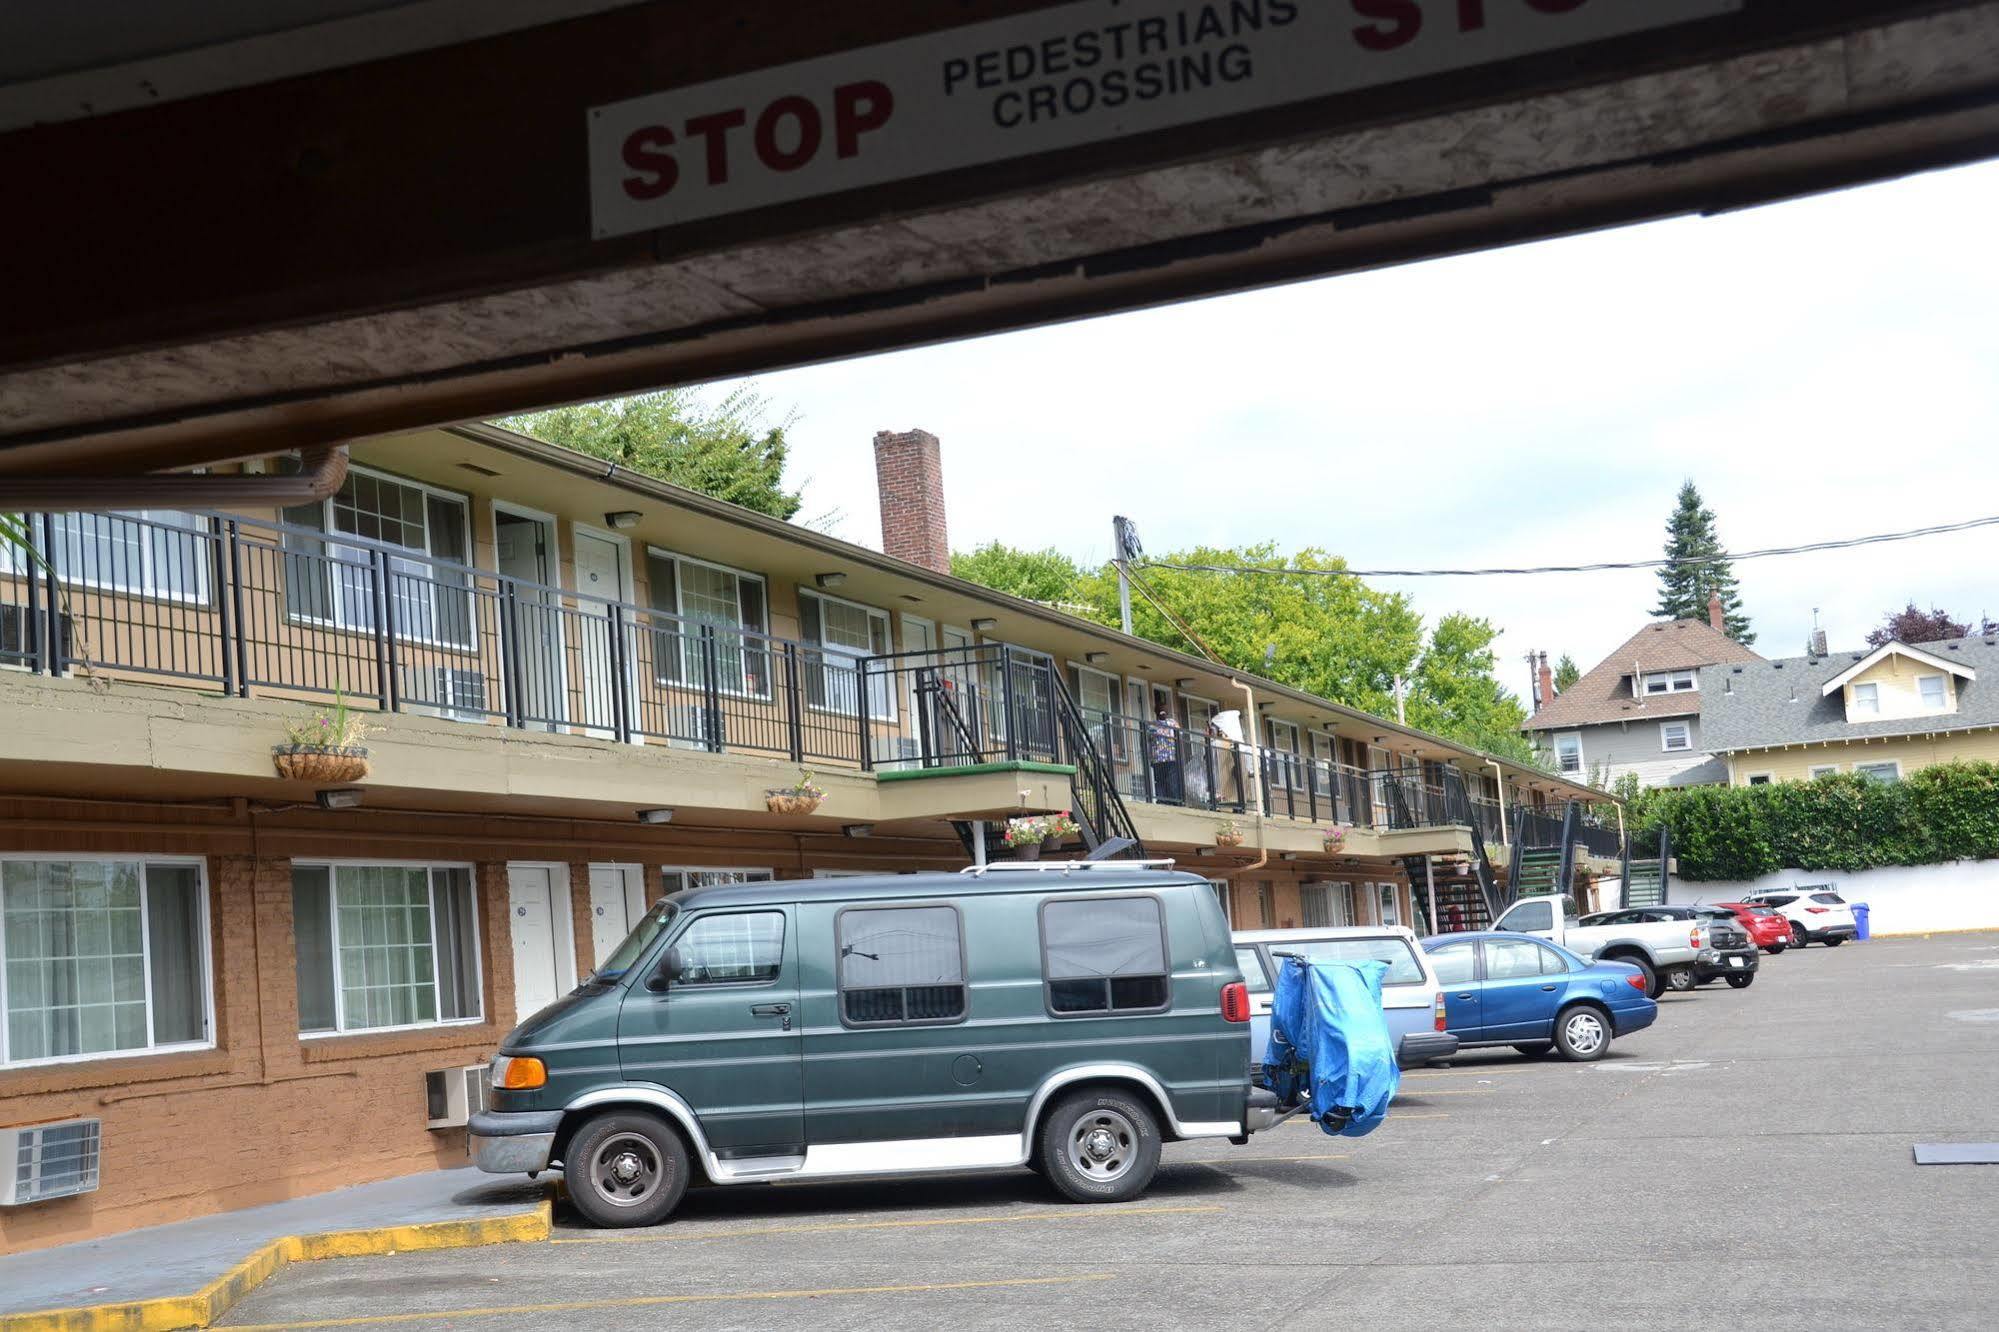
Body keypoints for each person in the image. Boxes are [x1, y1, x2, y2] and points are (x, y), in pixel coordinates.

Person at [1211, 709, 1248, 812]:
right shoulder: (1237, 742)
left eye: (1215, 728)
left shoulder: (1224, 743)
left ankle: (1235, 804)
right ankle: (1239, 805)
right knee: (1236, 785)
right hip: (1232, 769)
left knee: (1233, 784)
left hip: (1229, 769)